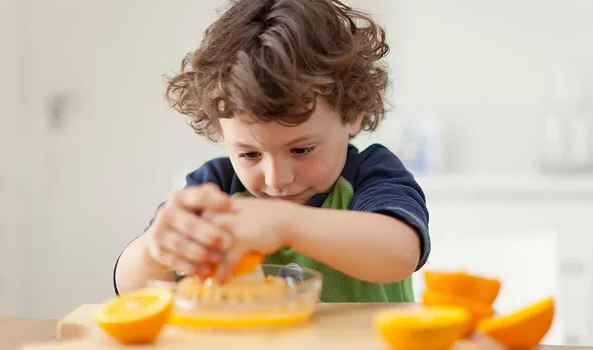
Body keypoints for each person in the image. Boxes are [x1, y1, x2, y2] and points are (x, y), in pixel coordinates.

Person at [113, 0, 431, 303]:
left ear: (352, 116)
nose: (276, 179)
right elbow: (134, 289)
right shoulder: (217, 188)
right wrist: (156, 249)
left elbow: (400, 253)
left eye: (301, 149)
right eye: (250, 155)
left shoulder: (371, 175)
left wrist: (284, 223)